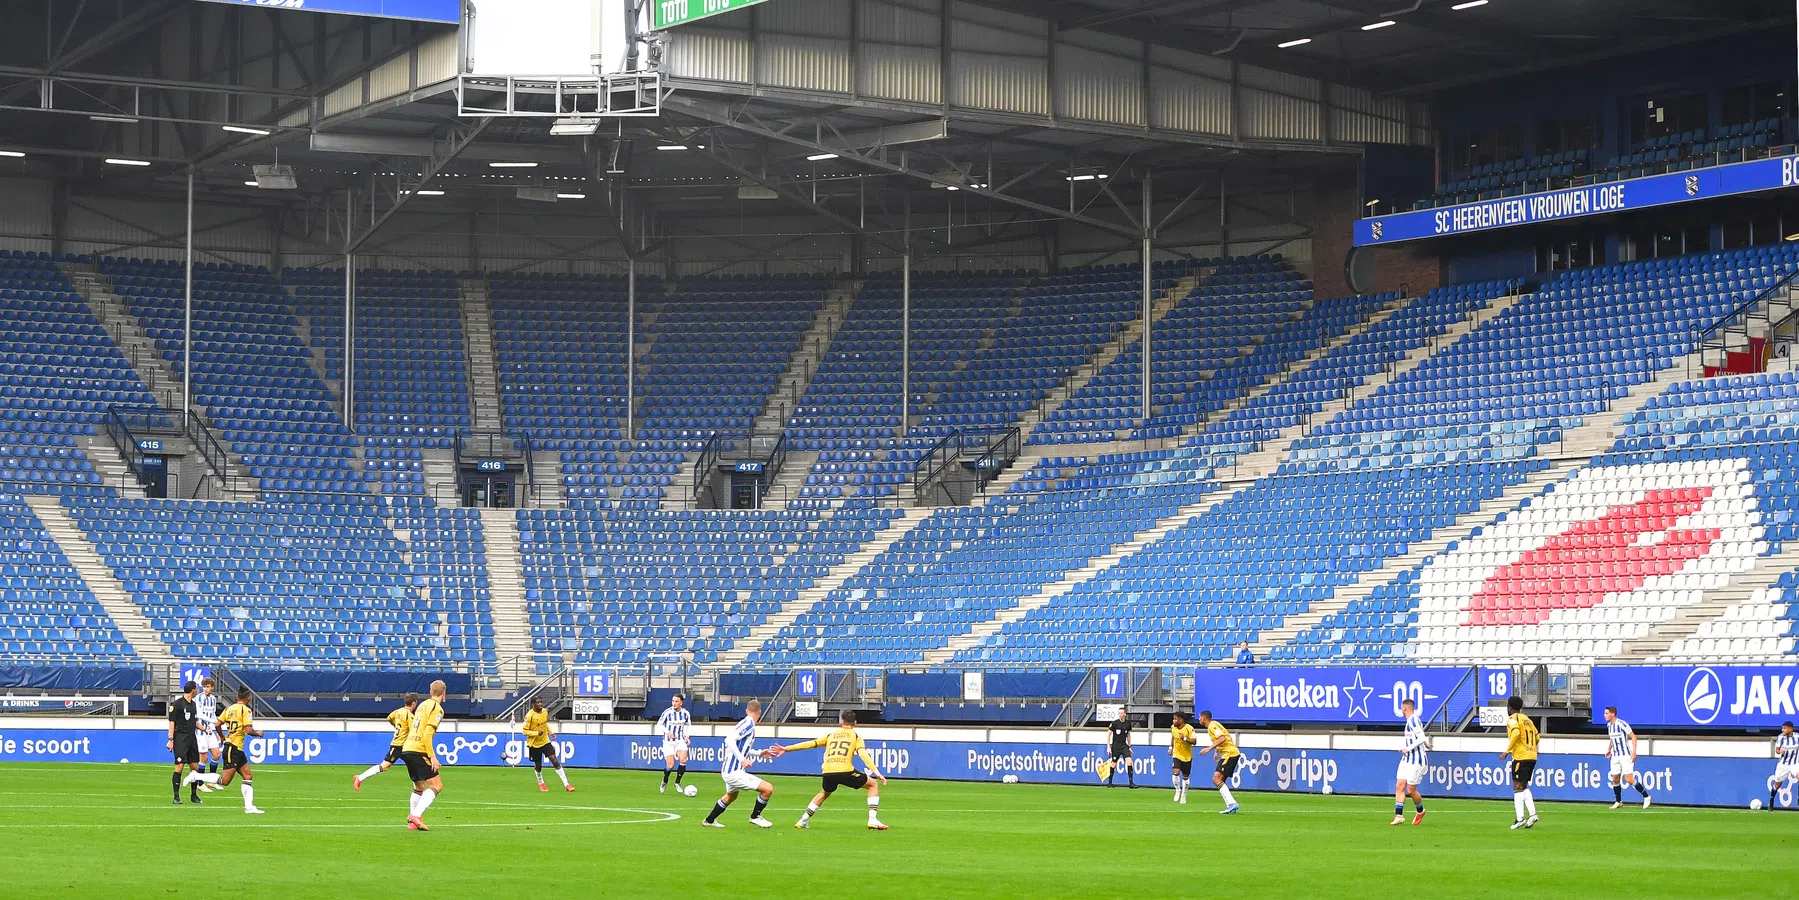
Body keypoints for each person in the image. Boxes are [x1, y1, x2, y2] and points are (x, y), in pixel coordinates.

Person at [770, 710, 889, 830]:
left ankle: (803, 820)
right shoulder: (856, 736)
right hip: (845, 770)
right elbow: (863, 754)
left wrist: (787, 749)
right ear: (855, 723)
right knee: (873, 784)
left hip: (827, 771)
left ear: (841, 722)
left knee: (824, 793)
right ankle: (872, 820)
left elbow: (810, 744)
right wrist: (876, 772)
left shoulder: (831, 735)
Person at [183, 688, 264, 814]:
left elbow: (217, 724)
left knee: (248, 776)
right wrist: (258, 733)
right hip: (233, 748)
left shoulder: (229, 709)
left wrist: (221, 736)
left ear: (237, 697)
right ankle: (196, 776)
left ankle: (249, 807)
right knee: (225, 781)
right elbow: (248, 730)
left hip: (234, 747)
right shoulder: (246, 710)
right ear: (248, 697)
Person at [701, 699, 774, 829]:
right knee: (768, 789)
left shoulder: (746, 723)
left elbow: (741, 747)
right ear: (760, 712)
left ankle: (709, 820)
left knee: (731, 796)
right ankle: (755, 817)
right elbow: (729, 740)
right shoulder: (749, 724)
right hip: (733, 771)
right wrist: (742, 759)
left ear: (747, 710)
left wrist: (759, 753)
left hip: (730, 770)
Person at [398, 680, 448, 831]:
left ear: (430, 691)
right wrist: (432, 756)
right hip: (419, 749)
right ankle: (416, 815)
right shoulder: (437, 709)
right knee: (436, 785)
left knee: (419, 786)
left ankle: (413, 823)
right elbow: (427, 734)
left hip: (407, 747)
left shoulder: (422, 705)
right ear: (444, 694)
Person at [353, 693, 418, 791]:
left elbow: (389, 718)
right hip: (401, 746)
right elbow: (413, 730)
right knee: (385, 766)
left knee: (414, 767)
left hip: (400, 745)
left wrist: (396, 725)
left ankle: (418, 789)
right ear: (413, 703)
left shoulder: (398, 711)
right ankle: (360, 778)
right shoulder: (410, 715)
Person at [1500, 696, 1540, 830]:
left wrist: (1507, 751)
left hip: (1521, 756)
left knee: (1517, 786)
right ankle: (1533, 814)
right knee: (1523, 786)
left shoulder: (1512, 719)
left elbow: (1516, 732)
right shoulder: (1527, 720)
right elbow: (1537, 737)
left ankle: (1520, 818)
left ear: (1510, 707)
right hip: (1532, 756)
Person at [1603, 706, 1650, 810]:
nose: (1604, 715)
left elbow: (1633, 736)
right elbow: (1612, 739)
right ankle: (1618, 801)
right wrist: (1609, 749)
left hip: (1625, 755)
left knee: (1628, 779)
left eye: (1606, 713)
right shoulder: (1609, 725)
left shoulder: (1621, 724)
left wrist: (1634, 752)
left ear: (1613, 714)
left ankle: (1646, 796)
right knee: (1615, 778)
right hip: (1615, 756)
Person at [523, 697, 573, 793]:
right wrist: (536, 733)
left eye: (541, 702)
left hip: (545, 741)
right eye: (538, 703)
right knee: (538, 765)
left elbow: (544, 724)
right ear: (533, 704)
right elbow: (524, 731)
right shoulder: (529, 716)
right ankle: (541, 782)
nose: (540, 704)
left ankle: (567, 784)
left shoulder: (545, 712)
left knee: (553, 759)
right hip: (534, 744)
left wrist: (550, 732)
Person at [1196, 710, 1241, 814]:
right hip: (1229, 754)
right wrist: (1216, 752)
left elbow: (1222, 738)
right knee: (1221, 780)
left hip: (1230, 754)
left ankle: (1232, 803)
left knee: (1216, 778)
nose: (1199, 719)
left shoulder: (1212, 725)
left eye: (1200, 717)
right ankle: (1230, 806)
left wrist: (1209, 748)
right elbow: (1221, 739)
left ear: (1204, 718)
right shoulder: (1213, 725)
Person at [167, 680, 204, 805]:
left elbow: (194, 721)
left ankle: (194, 795)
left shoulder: (193, 705)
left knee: (195, 767)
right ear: (193, 689)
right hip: (180, 738)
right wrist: (171, 740)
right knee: (180, 766)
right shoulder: (177, 704)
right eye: (197, 688)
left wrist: (205, 729)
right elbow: (171, 723)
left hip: (191, 738)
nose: (198, 690)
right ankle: (176, 796)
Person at [1391, 697, 1427, 826]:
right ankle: (1399, 815)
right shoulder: (1411, 721)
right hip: (1406, 760)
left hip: (1417, 760)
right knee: (1400, 786)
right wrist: (1427, 744)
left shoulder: (1413, 720)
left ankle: (1421, 811)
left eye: (1402, 708)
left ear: (1404, 708)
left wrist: (1408, 748)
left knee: (1411, 790)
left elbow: (1421, 736)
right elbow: (1421, 736)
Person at [655, 693, 691, 794]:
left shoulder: (685, 714)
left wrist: (687, 736)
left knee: (683, 759)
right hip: (668, 742)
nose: (674, 703)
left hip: (680, 740)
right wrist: (668, 732)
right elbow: (659, 724)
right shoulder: (667, 713)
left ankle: (677, 782)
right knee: (670, 765)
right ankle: (665, 780)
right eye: (673, 701)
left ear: (681, 703)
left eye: (676, 701)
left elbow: (688, 725)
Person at [195, 678, 221, 790]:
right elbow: (199, 715)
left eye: (208, 687)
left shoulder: (213, 699)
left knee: (217, 754)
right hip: (201, 731)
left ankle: (212, 781)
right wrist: (214, 722)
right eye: (204, 687)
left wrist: (216, 728)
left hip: (210, 731)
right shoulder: (198, 698)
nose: (206, 689)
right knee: (204, 758)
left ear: (212, 688)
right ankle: (200, 784)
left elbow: (213, 714)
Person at [1169, 712, 1199, 805]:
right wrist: (1171, 747)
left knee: (1185, 777)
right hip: (1177, 754)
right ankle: (1177, 790)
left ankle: (1184, 794)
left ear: (1181, 720)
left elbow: (1194, 741)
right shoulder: (1173, 727)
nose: (1174, 721)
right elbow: (1173, 736)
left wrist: (1185, 738)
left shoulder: (1189, 728)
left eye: (1175, 719)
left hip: (1187, 756)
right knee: (1176, 772)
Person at [1768, 720, 1798, 811]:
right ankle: (1771, 799)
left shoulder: (1797, 737)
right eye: (1782, 728)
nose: (1782, 730)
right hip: (1783, 765)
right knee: (1777, 784)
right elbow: (1777, 750)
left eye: (1784, 728)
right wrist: (1780, 751)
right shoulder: (1781, 738)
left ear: (1790, 728)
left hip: (1795, 763)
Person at [1105, 707, 1134, 789]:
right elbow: (1108, 734)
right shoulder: (1114, 723)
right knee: (1113, 764)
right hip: (1116, 746)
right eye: (1119, 713)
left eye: (1122, 713)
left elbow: (1128, 735)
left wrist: (1129, 746)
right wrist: (1108, 746)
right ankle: (1110, 783)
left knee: (1129, 762)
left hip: (1124, 745)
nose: (1120, 715)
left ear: (1125, 714)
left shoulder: (1128, 724)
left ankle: (1131, 783)